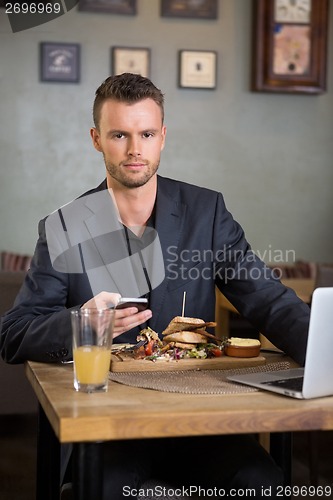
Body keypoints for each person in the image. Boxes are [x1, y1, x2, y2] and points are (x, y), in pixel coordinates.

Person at [1, 73, 310, 499]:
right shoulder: (63, 227)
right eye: (119, 135)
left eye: (146, 133)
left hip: (199, 419)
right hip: (110, 427)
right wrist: (82, 323)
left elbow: (268, 299)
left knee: (265, 483)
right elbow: (14, 333)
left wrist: (324, 351)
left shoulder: (208, 211)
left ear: (162, 136)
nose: (134, 149)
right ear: (96, 139)